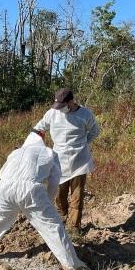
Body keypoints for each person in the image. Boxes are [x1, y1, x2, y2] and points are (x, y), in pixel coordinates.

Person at [0, 129, 90, 270]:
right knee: (52, 227)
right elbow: (55, 180)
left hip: (4, 188)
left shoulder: (15, 153)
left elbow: (1, 173)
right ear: (42, 141)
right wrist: (47, 200)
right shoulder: (48, 152)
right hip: (30, 190)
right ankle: (72, 265)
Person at [33, 88, 101, 236]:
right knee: (59, 196)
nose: (60, 109)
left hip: (79, 162)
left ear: (71, 101)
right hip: (59, 162)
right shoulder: (52, 113)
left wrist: (84, 143)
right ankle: (61, 222)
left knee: (77, 197)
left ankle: (75, 228)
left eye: (63, 106)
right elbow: (39, 128)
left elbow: (95, 131)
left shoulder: (85, 114)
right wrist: (29, 145)